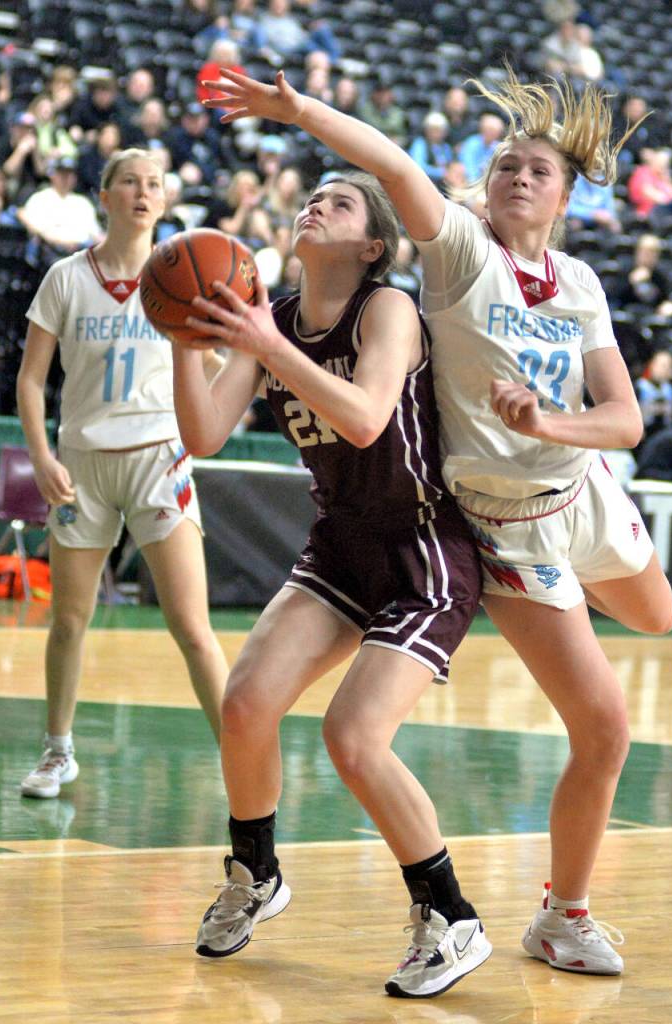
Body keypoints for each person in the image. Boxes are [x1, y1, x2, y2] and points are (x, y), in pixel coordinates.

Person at [202, 62, 672, 979]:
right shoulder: (458, 249)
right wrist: (297, 109)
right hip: (508, 527)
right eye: (504, 163)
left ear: (567, 194)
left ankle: (535, 901)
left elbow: (624, 419)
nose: (518, 175)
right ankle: (561, 915)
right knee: (606, 727)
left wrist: (549, 424)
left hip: (584, 487)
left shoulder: (577, 280)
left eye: (538, 168)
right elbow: (391, 166)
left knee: (657, 619)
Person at [173, 171, 487, 998]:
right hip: (342, 545)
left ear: (371, 245)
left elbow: (366, 417)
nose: (316, 203)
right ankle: (256, 871)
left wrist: (262, 348)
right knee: (244, 704)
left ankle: (450, 916)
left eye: (339, 203)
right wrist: (180, 335)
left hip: (424, 548)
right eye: (312, 194)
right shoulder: (270, 317)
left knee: (352, 737)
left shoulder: (387, 307)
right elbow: (202, 434)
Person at [15, 149, 227, 800]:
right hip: (81, 462)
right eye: (129, 181)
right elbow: (28, 380)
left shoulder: (182, 280)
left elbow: (216, 367)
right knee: (69, 620)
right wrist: (42, 457)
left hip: (160, 457)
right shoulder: (65, 278)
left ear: (164, 203)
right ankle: (57, 752)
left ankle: (239, 751)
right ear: (104, 195)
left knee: (192, 626)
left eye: (154, 184)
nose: (142, 191)